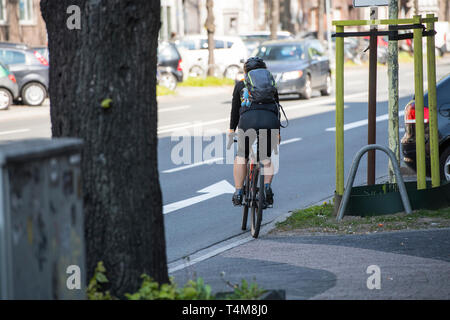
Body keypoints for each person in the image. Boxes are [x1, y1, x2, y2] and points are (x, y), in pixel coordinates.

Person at [228, 56, 281, 207]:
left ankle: (238, 191)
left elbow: (235, 111)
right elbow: (277, 108)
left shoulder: (240, 85)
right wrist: (277, 132)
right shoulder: (271, 84)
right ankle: (267, 187)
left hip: (248, 122)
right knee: (265, 157)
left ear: (246, 72)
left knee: (241, 156)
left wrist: (232, 129)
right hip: (269, 120)